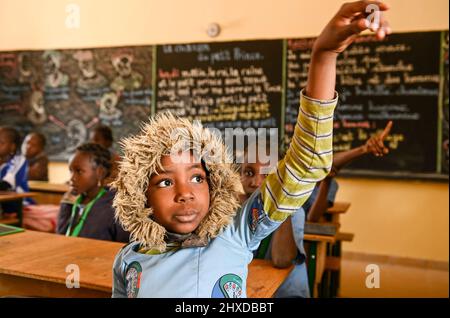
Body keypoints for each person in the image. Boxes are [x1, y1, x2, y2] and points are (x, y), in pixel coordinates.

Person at [111, 0, 391, 298]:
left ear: (214, 184)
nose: (186, 193)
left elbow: (305, 166)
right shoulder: (129, 260)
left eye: (197, 177)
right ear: (140, 195)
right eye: (165, 182)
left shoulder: (234, 233)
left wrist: (324, 56)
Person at [244, 121, 394, 297]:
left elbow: (314, 216)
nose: (257, 182)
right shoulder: (244, 206)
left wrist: (360, 152)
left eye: (267, 175)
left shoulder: (296, 201)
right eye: (248, 173)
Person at [56, 143, 129, 242]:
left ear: (100, 173)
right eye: (71, 171)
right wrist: (66, 205)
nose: (71, 178)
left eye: (79, 171)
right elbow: (60, 236)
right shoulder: (70, 200)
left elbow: (123, 247)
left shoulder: (115, 206)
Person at [0, 126, 32, 214]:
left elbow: (5, 185)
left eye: (1, 143)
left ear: (12, 147)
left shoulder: (19, 160)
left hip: (20, 205)